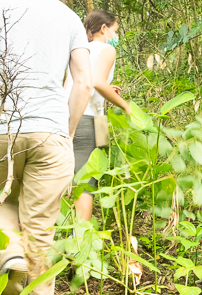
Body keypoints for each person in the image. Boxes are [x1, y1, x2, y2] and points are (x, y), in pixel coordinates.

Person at [0, 0, 92, 295]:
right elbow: (83, 83)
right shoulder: (67, 16)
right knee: (41, 228)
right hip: (50, 131)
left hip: (0, 127)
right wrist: (66, 131)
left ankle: (11, 255)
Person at [65, 10, 131, 222]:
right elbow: (97, 82)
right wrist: (126, 106)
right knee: (86, 182)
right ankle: (80, 240)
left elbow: (83, 81)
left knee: (72, 177)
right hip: (86, 119)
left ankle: (68, 233)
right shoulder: (106, 49)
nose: (116, 36)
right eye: (115, 30)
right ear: (104, 28)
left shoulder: (80, 50)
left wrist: (108, 90)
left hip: (68, 116)